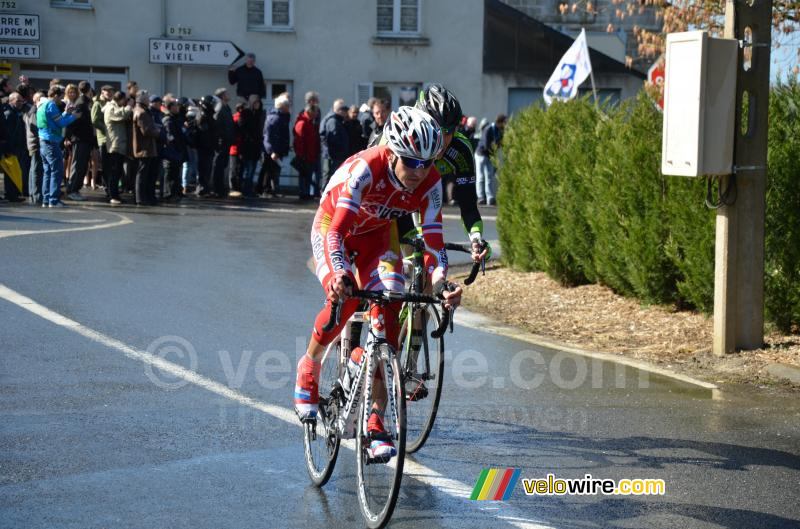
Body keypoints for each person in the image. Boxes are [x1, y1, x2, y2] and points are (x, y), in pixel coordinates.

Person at [293, 106, 462, 460]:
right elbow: (336, 230)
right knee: (348, 300)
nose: (420, 172)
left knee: (392, 306)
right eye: (412, 163)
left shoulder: (429, 183)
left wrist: (443, 282)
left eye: (428, 163)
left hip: (375, 239)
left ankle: (375, 420)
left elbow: (433, 242)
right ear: (393, 152)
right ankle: (309, 368)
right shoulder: (365, 169)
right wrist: (339, 274)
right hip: (334, 230)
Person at [37, 85, 78, 207]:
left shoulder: (42, 105)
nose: (61, 100)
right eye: (60, 97)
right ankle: (53, 200)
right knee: (57, 170)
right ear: (55, 95)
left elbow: (55, 120)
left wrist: (66, 113)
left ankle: (46, 199)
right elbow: (61, 123)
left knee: (48, 171)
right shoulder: (51, 105)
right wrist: (73, 117)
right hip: (51, 141)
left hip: (43, 141)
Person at [64, 81, 94, 201]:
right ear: (89, 90)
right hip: (79, 139)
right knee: (77, 165)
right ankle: (72, 190)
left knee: (82, 166)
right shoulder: (81, 103)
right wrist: (67, 137)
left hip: (85, 139)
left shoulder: (85, 102)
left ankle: (75, 189)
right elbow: (72, 121)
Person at [132, 91, 160, 205]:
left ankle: (143, 197)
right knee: (142, 174)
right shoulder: (142, 112)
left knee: (143, 174)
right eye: (147, 98)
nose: (149, 100)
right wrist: (158, 132)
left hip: (144, 147)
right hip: (144, 148)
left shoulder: (139, 110)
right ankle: (140, 198)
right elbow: (146, 131)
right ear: (142, 99)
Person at [262, 92, 291, 197]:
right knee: (270, 170)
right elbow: (268, 136)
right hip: (274, 150)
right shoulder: (275, 118)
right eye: (288, 106)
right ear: (283, 106)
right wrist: (272, 151)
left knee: (275, 170)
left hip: (277, 149)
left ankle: (273, 190)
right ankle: (267, 190)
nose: (289, 108)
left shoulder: (282, 117)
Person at [475, 113, 506, 206]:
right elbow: (486, 144)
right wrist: (494, 148)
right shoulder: (488, 129)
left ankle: (490, 198)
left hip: (489, 155)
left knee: (489, 176)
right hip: (481, 154)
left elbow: (500, 143)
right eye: (504, 122)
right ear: (500, 122)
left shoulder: (499, 130)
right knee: (480, 177)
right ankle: (481, 197)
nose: (505, 124)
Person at [318, 98, 349, 190]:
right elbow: (333, 140)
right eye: (344, 110)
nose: (345, 112)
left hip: (333, 156)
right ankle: (325, 197)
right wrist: (341, 150)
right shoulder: (333, 121)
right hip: (333, 156)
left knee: (330, 177)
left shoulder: (335, 120)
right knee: (330, 177)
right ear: (339, 110)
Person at [3, 92, 27, 202]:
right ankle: (11, 195)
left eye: (21, 101)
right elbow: (8, 134)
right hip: (11, 148)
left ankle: (14, 194)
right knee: (11, 172)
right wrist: (9, 149)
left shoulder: (16, 112)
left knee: (15, 171)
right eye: (18, 101)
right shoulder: (9, 113)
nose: (20, 103)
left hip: (18, 147)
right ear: (11, 101)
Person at [92, 85, 115, 202]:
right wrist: (105, 129)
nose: (110, 93)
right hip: (103, 139)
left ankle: (110, 188)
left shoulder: (112, 103)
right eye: (108, 91)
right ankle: (107, 189)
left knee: (111, 165)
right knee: (105, 165)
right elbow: (94, 120)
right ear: (102, 92)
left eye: (112, 91)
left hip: (112, 139)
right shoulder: (97, 103)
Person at [292, 103, 320, 200]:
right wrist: (301, 155)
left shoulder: (310, 122)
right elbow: (299, 141)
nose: (317, 114)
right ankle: (303, 193)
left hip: (310, 155)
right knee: (304, 175)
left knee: (307, 175)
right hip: (305, 156)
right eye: (316, 111)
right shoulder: (302, 123)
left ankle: (306, 192)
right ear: (310, 111)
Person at [162, 98, 187, 201]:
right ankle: (168, 194)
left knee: (176, 172)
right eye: (175, 106)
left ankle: (175, 192)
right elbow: (170, 135)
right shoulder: (168, 119)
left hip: (177, 149)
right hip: (171, 150)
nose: (177, 107)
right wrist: (176, 145)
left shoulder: (176, 118)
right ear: (171, 107)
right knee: (169, 173)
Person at [239, 95, 264, 197]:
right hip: (248, 146)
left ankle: (249, 189)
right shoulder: (246, 113)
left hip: (255, 147)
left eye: (258, 103)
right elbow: (241, 127)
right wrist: (248, 138)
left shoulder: (259, 114)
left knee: (252, 169)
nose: (257, 105)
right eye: (255, 103)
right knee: (248, 170)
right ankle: (246, 189)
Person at [195, 95, 218, 196]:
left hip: (209, 147)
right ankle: (202, 188)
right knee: (204, 168)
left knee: (207, 168)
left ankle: (205, 188)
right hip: (204, 147)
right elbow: (205, 133)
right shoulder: (203, 116)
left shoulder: (208, 115)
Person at [25, 91, 45, 205]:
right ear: (35, 100)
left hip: (34, 143)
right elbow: (35, 127)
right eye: (41, 98)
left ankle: (34, 195)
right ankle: (36, 196)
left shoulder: (34, 110)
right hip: (35, 144)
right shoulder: (34, 111)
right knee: (36, 171)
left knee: (34, 170)